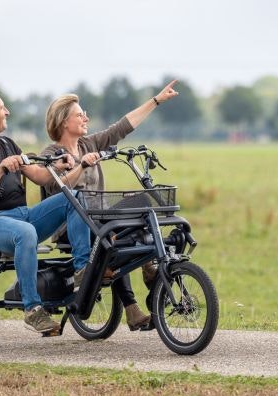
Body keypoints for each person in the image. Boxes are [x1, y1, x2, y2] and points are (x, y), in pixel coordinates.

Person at [41, 80, 179, 330]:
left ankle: (150, 265)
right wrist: (81, 164)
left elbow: (123, 126)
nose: (86, 118)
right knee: (112, 237)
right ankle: (132, 309)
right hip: (73, 226)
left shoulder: (89, 144)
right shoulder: (52, 153)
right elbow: (55, 187)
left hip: (101, 217)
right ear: (64, 122)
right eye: (80, 114)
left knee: (141, 203)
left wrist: (156, 100)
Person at [0, 91, 92, 334]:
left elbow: (39, 176)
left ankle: (83, 272)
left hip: (22, 215)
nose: (7, 112)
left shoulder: (8, 145)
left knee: (74, 198)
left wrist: (57, 167)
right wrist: (0, 170)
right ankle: (32, 310)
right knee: (25, 232)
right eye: (2, 107)